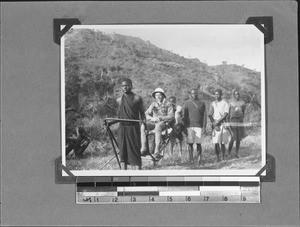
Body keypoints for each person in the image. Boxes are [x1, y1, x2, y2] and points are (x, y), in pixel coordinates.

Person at [116, 78, 146, 170]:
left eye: (126, 85)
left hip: (133, 128)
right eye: (123, 86)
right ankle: (123, 174)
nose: (124, 87)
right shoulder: (119, 100)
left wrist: (144, 125)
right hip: (122, 128)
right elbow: (119, 114)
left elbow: (142, 113)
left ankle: (138, 173)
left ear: (131, 86)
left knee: (135, 150)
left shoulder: (137, 98)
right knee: (123, 151)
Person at [140, 88, 174, 159]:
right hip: (153, 122)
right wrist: (152, 118)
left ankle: (157, 151)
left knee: (158, 127)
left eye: (160, 95)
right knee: (143, 126)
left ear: (163, 96)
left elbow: (171, 116)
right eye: (156, 95)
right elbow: (146, 114)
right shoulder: (153, 104)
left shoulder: (168, 104)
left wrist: (161, 118)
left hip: (163, 123)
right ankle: (144, 148)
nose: (158, 97)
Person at [183, 89, 207, 164]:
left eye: (195, 93)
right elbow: (185, 116)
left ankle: (199, 158)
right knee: (190, 143)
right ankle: (191, 159)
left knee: (198, 143)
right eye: (192, 93)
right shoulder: (187, 103)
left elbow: (205, 115)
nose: (194, 95)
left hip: (198, 126)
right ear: (190, 94)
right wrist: (185, 127)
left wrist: (204, 126)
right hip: (189, 126)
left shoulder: (202, 103)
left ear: (197, 94)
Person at [208, 89, 230, 162]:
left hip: (223, 123)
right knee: (216, 142)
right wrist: (214, 124)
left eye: (218, 94)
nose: (217, 96)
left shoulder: (225, 103)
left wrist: (218, 122)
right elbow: (210, 115)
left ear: (221, 95)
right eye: (215, 94)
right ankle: (218, 157)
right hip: (216, 125)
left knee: (223, 142)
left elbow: (225, 114)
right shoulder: (213, 103)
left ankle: (223, 157)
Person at [228, 89, 247, 158]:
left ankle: (237, 153)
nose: (237, 95)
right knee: (233, 137)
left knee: (239, 138)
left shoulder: (242, 102)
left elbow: (243, 111)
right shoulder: (230, 103)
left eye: (238, 94)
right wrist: (229, 123)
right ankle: (229, 153)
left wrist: (241, 118)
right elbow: (228, 113)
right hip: (233, 121)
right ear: (233, 95)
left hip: (240, 121)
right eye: (236, 94)